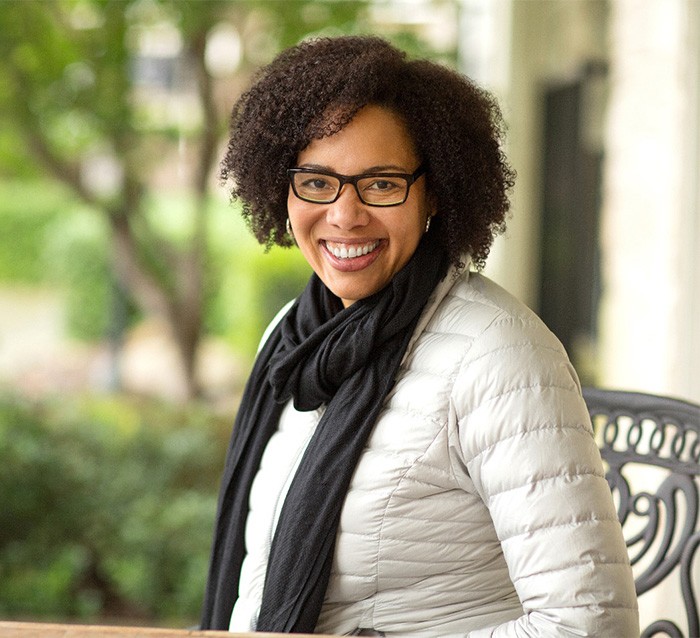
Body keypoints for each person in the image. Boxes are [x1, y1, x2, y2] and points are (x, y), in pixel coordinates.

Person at [201, 35, 639, 636]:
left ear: (434, 191)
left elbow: (590, 624)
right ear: (281, 185)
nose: (345, 214)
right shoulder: (289, 337)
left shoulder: (497, 355)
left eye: (381, 184)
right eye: (316, 181)